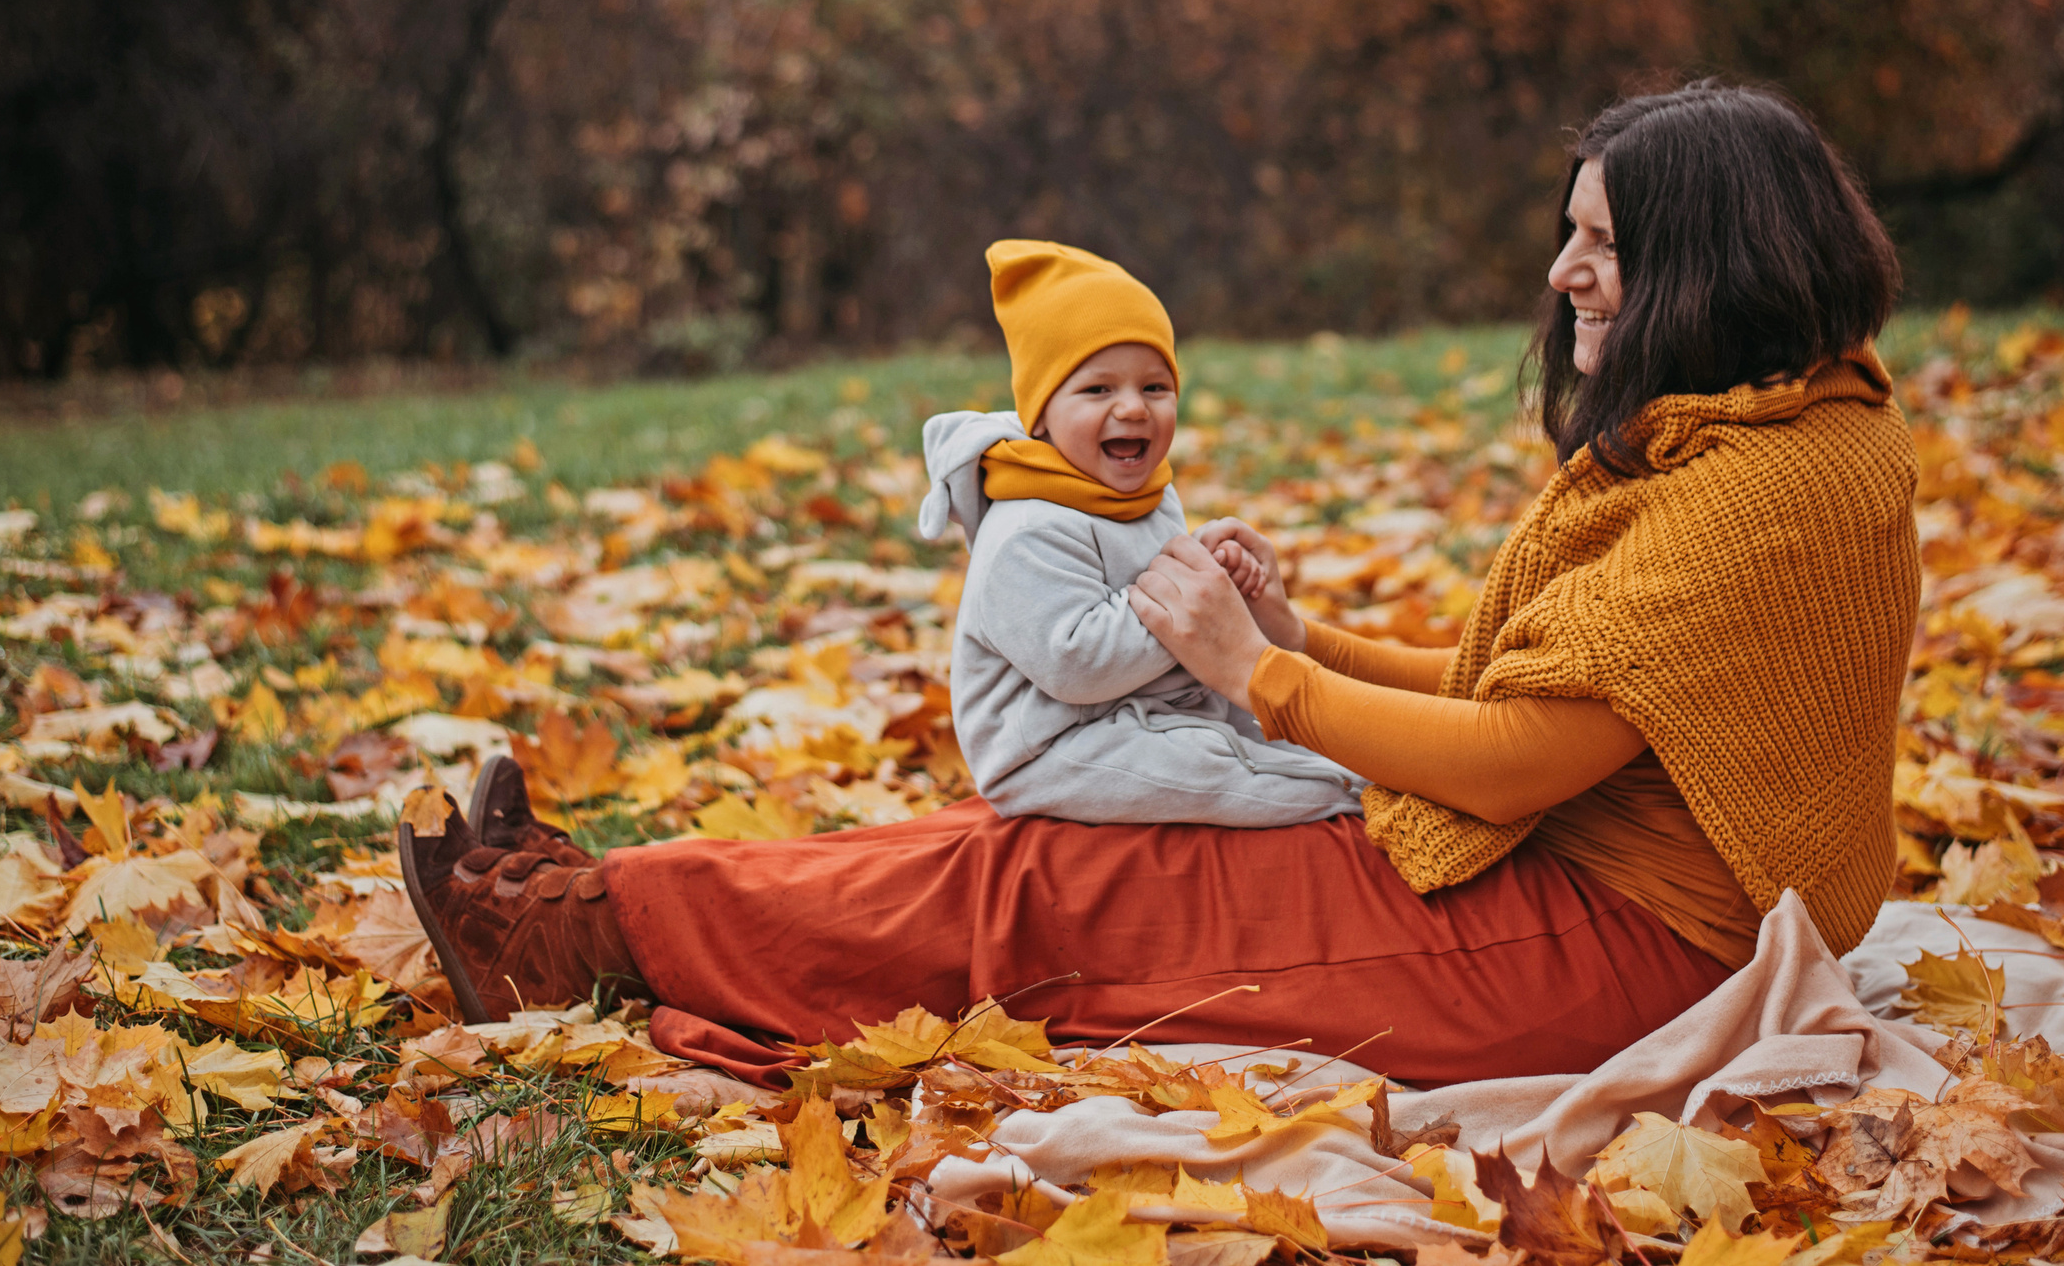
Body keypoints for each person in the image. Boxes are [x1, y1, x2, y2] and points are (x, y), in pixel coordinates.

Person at [398, 79, 1921, 1085]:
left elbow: (1529, 750)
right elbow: (1551, 693)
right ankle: (607, 906)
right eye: (1571, 236)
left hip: (1606, 950)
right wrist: (1303, 636)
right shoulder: (1777, 431)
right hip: (1561, 880)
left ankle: (572, 938)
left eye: (1600, 245)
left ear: (1709, 263)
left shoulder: (1766, 488)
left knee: (1056, 894)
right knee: (1032, 840)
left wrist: (1264, 677)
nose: (1563, 275)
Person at [915, 239, 1363, 827]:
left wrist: (1221, 575)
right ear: (1041, 414)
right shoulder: (1026, 528)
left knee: (1268, 714)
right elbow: (1074, 663)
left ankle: (1366, 761)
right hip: (1057, 748)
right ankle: (1348, 799)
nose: (1132, 408)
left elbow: (1162, 585)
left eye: (1154, 387)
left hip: (1155, 704)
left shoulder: (1143, 488)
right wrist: (1192, 602)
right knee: (1207, 770)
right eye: (1098, 389)